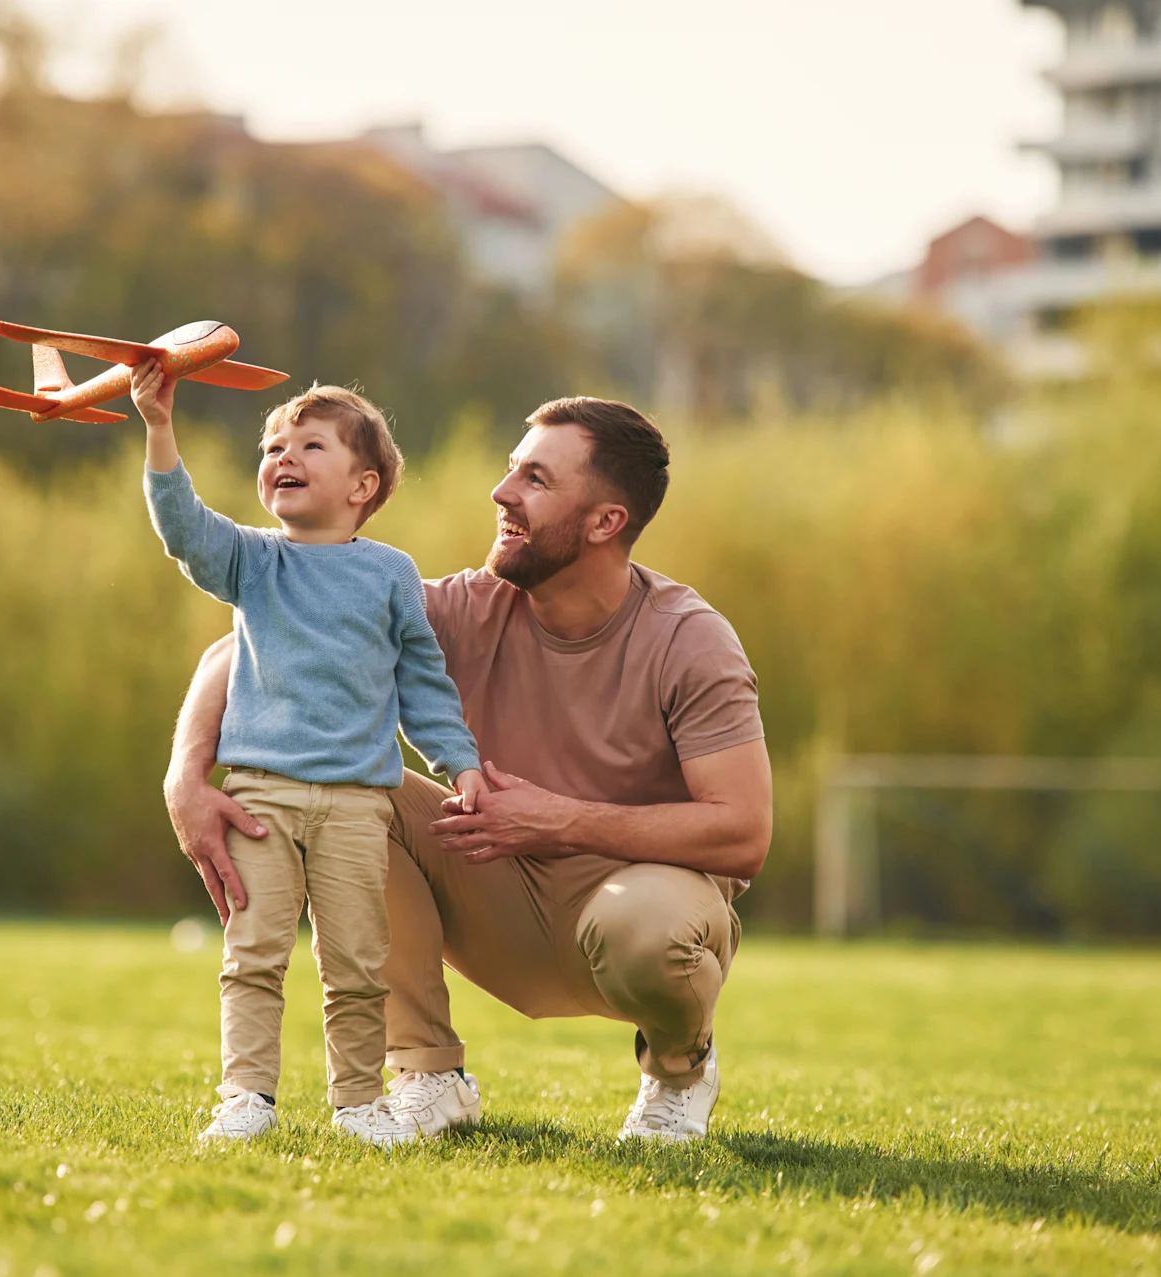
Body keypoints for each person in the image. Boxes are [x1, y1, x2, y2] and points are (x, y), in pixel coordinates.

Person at [167, 396, 772, 1144]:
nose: (501, 491)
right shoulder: (463, 607)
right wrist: (187, 777)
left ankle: (678, 1073)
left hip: (637, 908)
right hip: (497, 887)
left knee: (643, 929)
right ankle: (428, 1072)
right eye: (511, 469)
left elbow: (743, 832)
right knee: (358, 796)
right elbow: (246, 648)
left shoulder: (689, 639)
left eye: (536, 480)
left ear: (605, 522)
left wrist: (560, 817)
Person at [134, 360, 485, 1147]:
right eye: (272, 447)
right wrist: (159, 427)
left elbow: (424, 686)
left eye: (309, 445)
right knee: (253, 954)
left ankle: (359, 1103)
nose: (281, 458)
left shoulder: (390, 575)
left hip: (359, 806)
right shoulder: (255, 562)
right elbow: (183, 529)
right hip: (260, 798)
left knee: (358, 965)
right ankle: (246, 1098)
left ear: (363, 486)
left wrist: (458, 762)